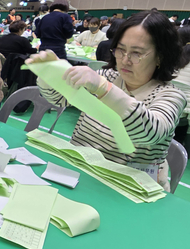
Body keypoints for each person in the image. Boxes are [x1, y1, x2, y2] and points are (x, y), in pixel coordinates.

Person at [28, 10, 186, 192]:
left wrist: (104, 89)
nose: (125, 60)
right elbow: (60, 99)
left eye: (136, 54)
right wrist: (51, 74)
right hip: (80, 174)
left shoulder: (170, 96)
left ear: (160, 56)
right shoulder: (106, 75)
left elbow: (149, 133)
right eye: (120, 49)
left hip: (130, 189)